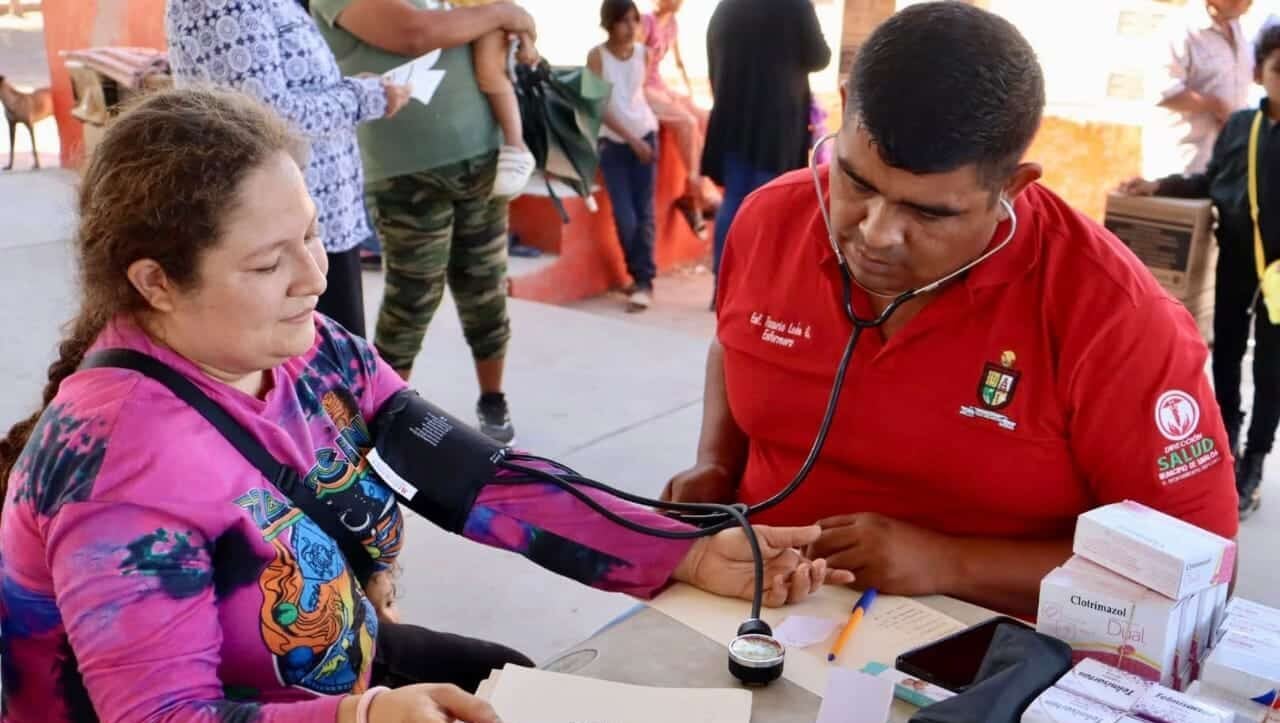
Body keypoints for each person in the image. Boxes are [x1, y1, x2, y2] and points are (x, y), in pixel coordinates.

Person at [0, 87, 847, 723]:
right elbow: (160, 716)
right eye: (268, 263)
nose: (316, 274)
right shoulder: (118, 464)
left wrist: (683, 548)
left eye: (312, 231)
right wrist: (361, 716)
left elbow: (477, 478)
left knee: (525, 683)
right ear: (155, 281)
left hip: (342, 670)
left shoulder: (313, 355)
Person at [663, 2, 1240, 619]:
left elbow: (1200, 563)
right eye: (857, 182)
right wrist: (716, 461)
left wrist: (949, 562)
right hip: (754, 609)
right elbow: (734, 342)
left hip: (981, 654)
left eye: (929, 213)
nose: (876, 234)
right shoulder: (768, 222)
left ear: (1012, 188)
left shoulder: (1115, 319)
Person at [308, 0, 538, 443]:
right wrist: (503, 13)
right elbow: (414, 33)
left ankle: (493, 399)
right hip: (403, 172)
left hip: (482, 156)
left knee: (486, 290)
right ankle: (385, 416)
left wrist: (510, 20)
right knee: (413, 297)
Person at [166, 0, 411, 338]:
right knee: (312, 372)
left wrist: (351, 89)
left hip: (316, 221)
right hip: (280, 231)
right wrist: (364, 97)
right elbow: (268, 115)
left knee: (335, 366)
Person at [1120, 27, 1280, 521]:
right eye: (1278, 70)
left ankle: (1253, 461)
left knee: (1271, 369)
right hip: (1235, 259)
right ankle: (1226, 442)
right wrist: (1159, 185)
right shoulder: (1240, 128)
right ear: (1260, 73)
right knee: (1225, 355)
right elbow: (1211, 182)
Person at [703, 0, 831, 304]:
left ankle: (722, 287)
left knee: (734, 201)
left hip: (733, 120)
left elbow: (712, 59)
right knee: (771, 206)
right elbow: (820, 56)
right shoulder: (795, 6)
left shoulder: (727, 7)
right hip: (776, 126)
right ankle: (756, 289)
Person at [589, 0, 661, 312]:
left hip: (646, 135)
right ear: (609, 23)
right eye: (623, 21)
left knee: (644, 212)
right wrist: (631, 139)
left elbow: (638, 95)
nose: (631, 27)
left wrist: (642, 136)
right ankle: (639, 274)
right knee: (625, 214)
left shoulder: (644, 53)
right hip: (615, 144)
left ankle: (644, 281)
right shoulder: (597, 56)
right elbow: (598, 105)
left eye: (635, 20)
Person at [1145, 0, 1255, 177]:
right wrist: (1216, 106)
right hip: (1185, 163)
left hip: (1227, 163)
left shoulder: (1241, 29)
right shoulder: (1179, 29)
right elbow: (1162, 93)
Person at [448, 0, 539, 198]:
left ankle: (517, 145)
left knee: (490, 73)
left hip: (487, 18)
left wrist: (527, 42)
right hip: (451, 16)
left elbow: (512, 11)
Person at [640, 0, 708, 234]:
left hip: (659, 85)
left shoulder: (673, 24)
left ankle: (697, 192)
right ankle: (695, 197)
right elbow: (633, 61)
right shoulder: (645, 22)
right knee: (687, 123)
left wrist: (689, 94)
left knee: (701, 117)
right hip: (642, 89)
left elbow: (678, 62)